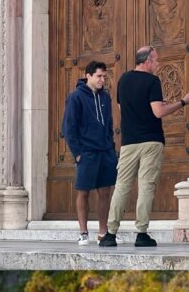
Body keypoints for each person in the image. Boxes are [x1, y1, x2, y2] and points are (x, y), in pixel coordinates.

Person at [100, 46, 189, 247]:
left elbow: (122, 108)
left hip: (128, 142)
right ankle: (141, 233)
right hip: (151, 141)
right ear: (147, 61)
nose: (158, 64)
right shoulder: (152, 81)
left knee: (122, 186)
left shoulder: (123, 79)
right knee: (146, 186)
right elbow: (158, 112)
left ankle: (110, 234)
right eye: (156, 60)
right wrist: (182, 102)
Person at [61, 61, 119, 246]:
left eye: (104, 76)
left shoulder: (105, 97)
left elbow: (108, 124)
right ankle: (83, 232)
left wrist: (111, 148)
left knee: (105, 192)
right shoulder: (76, 97)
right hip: (86, 153)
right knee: (84, 192)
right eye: (99, 76)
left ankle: (103, 232)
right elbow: (68, 128)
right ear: (88, 76)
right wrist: (78, 153)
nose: (102, 80)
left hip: (105, 152)